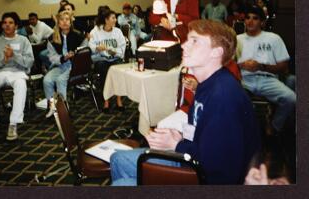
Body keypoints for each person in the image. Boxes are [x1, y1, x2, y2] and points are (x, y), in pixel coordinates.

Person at [110, 19, 260, 185]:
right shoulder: (207, 84)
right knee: (117, 158)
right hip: (194, 159)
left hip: (204, 176)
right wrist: (179, 137)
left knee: (120, 184)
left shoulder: (223, 97)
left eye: (195, 41)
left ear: (216, 52)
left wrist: (176, 144)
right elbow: (202, 135)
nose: (183, 46)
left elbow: (220, 168)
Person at [236, 6, 295, 134]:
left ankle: (274, 126)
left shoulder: (273, 38)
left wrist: (261, 66)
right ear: (244, 21)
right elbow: (228, 63)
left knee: (291, 99)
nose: (250, 21)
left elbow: (283, 65)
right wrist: (240, 65)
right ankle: (242, 129)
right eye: (248, 18)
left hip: (268, 79)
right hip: (244, 79)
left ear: (262, 22)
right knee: (230, 98)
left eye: (255, 18)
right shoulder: (237, 39)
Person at [0, 12, 34, 141]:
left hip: (17, 72)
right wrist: (3, 61)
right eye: (5, 23)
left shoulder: (23, 40)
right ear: (1, 25)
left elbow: (29, 62)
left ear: (16, 26)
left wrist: (14, 56)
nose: (7, 25)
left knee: (21, 85)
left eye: (10, 23)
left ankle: (13, 123)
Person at [43, 10, 84, 118]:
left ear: (71, 22)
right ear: (58, 23)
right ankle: (52, 107)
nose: (65, 22)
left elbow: (85, 51)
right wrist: (63, 58)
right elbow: (52, 57)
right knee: (47, 80)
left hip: (75, 65)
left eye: (67, 20)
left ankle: (64, 110)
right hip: (61, 65)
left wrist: (75, 54)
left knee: (60, 80)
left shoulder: (78, 35)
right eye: (62, 20)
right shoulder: (53, 38)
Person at [89, 9, 126, 113]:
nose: (115, 20)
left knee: (119, 71)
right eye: (113, 18)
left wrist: (113, 52)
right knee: (104, 71)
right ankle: (106, 101)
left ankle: (119, 100)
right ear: (106, 20)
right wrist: (97, 48)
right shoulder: (97, 32)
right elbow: (91, 45)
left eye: (115, 18)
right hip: (102, 60)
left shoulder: (117, 31)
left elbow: (122, 47)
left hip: (115, 58)